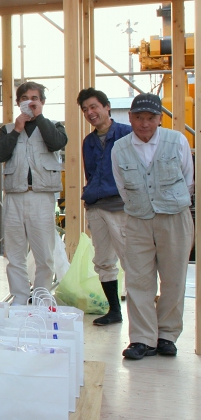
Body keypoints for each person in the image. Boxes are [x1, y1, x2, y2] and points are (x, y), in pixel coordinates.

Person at [111, 93, 194, 360]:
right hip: (138, 219)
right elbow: (122, 186)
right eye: (139, 118)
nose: (144, 124)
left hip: (174, 217)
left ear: (159, 119)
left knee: (173, 278)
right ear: (130, 118)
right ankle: (142, 339)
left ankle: (167, 335)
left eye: (150, 118)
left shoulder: (177, 140)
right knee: (138, 279)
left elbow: (188, 179)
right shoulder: (120, 148)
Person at [0, 81, 68, 305]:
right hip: (15, 195)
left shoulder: (54, 125)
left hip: (42, 195)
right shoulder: (7, 129)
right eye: (25, 98)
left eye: (35, 98)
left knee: (44, 252)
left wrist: (39, 118)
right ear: (18, 103)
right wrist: (16, 129)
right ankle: (20, 295)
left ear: (42, 102)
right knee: (14, 252)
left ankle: (42, 294)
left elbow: (56, 143)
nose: (30, 102)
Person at [77, 88, 133, 326]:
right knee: (103, 260)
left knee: (131, 259)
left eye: (93, 107)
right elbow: (90, 173)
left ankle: (143, 317)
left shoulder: (126, 134)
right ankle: (114, 310)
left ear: (106, 106)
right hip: (96, 206)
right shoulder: (88, 142)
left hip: (120, 206)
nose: (90, 113)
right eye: (85, 109)